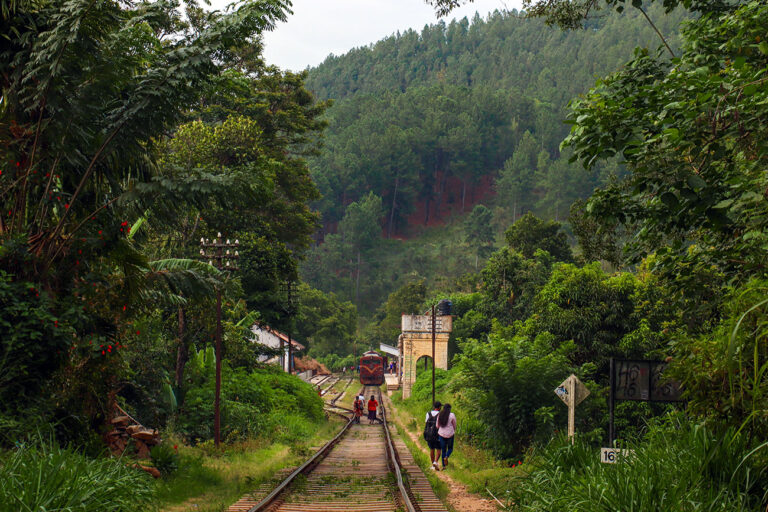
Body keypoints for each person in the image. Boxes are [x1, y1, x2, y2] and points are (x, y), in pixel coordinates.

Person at [437, 403, 456, 469]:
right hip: (450, 434)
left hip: (441, 434)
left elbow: (437, 425)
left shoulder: (440, 414)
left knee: (443, 450)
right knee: (450, 448)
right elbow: (454, 424)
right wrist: (453, 430)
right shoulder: (452, 415)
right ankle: (447, 456)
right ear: (450, 409)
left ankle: (443, 466)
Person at [424, 401, 442, 471]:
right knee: (438, 449)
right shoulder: (440, 414)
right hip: (437, 434)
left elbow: (426, 423)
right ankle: (436, 462)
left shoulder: (428, 413)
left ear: (434, 407)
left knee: (431, 449)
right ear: (439, 407)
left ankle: (433, 465)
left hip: (429, 434)